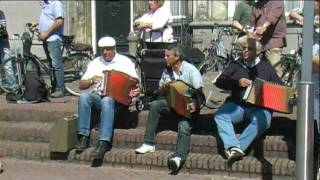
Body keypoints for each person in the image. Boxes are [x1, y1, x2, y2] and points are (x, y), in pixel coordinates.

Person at [135, 46, 204, 174]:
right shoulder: (166, 71)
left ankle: (178, 157)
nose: (164, 58)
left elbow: (199, 94)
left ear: (177, 57)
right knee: (155, 105)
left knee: (184, 126)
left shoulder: (191, 70)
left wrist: (195, 104)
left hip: (187, 109)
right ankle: (148, 143)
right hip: (172, 105)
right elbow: (160, 91)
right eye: (165, 55)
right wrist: (163, 89)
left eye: (167, 56)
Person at [214, 37, 282, 163]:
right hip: (237, 106)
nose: (245, 51)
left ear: (258, 52)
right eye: (244, 48)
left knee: (264, 121)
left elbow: (280, 86)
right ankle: (233, 146)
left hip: (259, 108)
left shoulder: (266, 67)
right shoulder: (236, 64)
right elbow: (219, 82)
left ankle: (235, 148)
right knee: (220, 116)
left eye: (249, 49)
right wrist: (237, 83)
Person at [75, 36, 140, 159]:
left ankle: (103, 142)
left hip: (119, 101)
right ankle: (83, 136)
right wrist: (91, 80)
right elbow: (81, 85)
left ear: (114, 49)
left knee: (107, 99)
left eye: (108, 49)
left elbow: (135, 84)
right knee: (84, 97)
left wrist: (134, 92)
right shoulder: (95, 62)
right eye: (103, 50)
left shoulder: (125, 62)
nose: (105, 52)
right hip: (98, 96)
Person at [289, 0, 320, 178]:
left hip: (315, 69)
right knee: (310, 118)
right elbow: (292, 13)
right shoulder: (308, 10)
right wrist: (306, 20)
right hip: (310, 75)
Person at [245, 0, 287, 77]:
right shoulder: (256, 5)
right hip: (260, 41)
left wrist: (264, 27)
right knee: (254, 67)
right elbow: (250, 23)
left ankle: (277, 87)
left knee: (274, 68)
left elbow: (271, 18)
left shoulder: (277, 2)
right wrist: (249, 31)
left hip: (274, 41)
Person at [38, 0, 65, 98]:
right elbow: (48, 20)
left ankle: (60, 89)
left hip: (53, 39)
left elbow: (59, 21)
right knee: (52, 65)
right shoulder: (45, 5)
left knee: (56, 65)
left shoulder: (56, 3)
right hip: (47, 39)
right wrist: (38, 25)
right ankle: (54, 87)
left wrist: (46, 33)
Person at [0, 10, 16, 89]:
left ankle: (12, 86)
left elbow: (2, 28)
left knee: (8, 65)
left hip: (3, 41)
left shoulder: (1, 13)